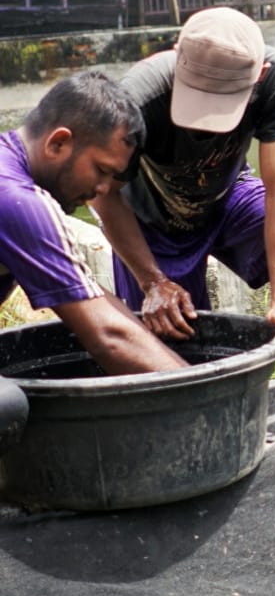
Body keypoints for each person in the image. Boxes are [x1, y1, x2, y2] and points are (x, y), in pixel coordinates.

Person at [90, 8, 275, 448]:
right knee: (173, 363)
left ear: (260, 72)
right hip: (152, 221)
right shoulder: (136, 98)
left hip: (228, 196)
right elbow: (102, 195)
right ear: (177, 56)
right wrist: (152, 280)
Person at [0, 72, 187, 374]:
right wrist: (208, 399)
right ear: (59, 143)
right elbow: (110, 336)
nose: (103, 189)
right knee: (12, 407)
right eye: (101, 170)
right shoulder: (17, 199)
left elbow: (88, 295)